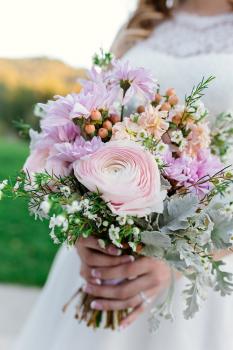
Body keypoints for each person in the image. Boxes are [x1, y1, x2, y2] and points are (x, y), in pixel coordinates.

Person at [14, 0, 233, 349]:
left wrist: (176, 263)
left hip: (206, 258)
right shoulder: (143, 23)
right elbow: (97, 114)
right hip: (108, 252)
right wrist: (84, 232)